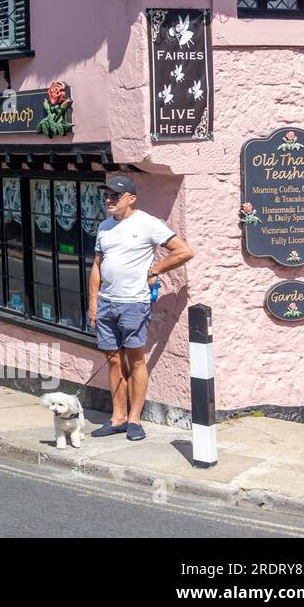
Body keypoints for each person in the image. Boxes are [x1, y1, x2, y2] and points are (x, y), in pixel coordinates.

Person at [88, 175, 193, 441]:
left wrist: (155, 269)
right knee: (112, 360)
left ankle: (135, 419)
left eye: (115, 196)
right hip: (107, 303)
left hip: (134, 303)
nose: (109, 200)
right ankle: (118, 418)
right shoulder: (104, 227)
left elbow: (183, 251)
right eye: (107, 196)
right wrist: (93, 303)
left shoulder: (147, 223)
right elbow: (97, 266)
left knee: (135, 358)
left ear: (131, 199)